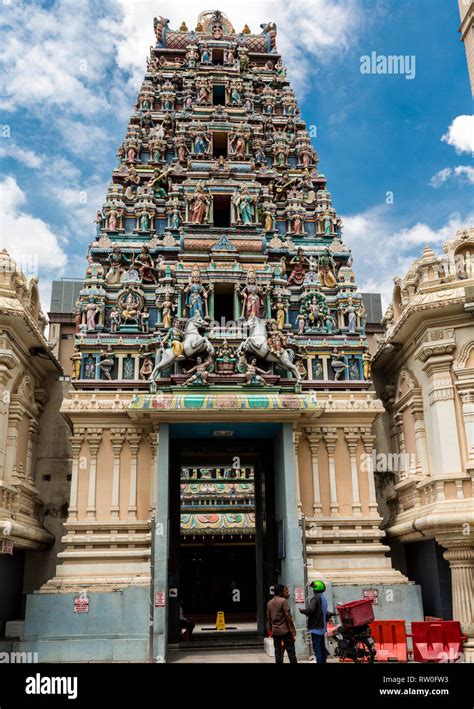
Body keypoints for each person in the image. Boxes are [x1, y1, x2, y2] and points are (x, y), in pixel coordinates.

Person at [299, 579, 330, 663]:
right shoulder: (323, 598)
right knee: (322, 647)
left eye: (313, 588)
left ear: (316, 588)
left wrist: (303, 611)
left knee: (317, 649)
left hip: (316, 627)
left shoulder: (315, 598)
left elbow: (311, 610)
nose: (312, 590)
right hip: (322, 627)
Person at [266, 584, 298, 664]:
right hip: (285, 631)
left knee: (278, 653)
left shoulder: (269, 603)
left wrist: (269, 630)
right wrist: (293, 629)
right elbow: (288, 617)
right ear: (280, 592)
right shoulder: (283, 601)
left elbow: (268, 619)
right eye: (285, 591)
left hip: (275, 632)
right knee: (291, 652)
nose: (287, 592)